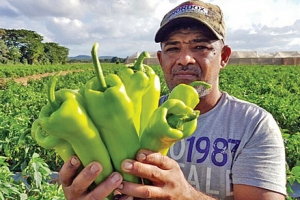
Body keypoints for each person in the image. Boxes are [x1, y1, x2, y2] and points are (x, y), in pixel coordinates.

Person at [58, 0, 287, 199]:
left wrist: (186, 196)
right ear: (160, 58)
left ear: (224, 57)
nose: (184, 59)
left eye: (200, 47)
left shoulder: (253, 125)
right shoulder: (129, 113)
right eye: (172, 48)